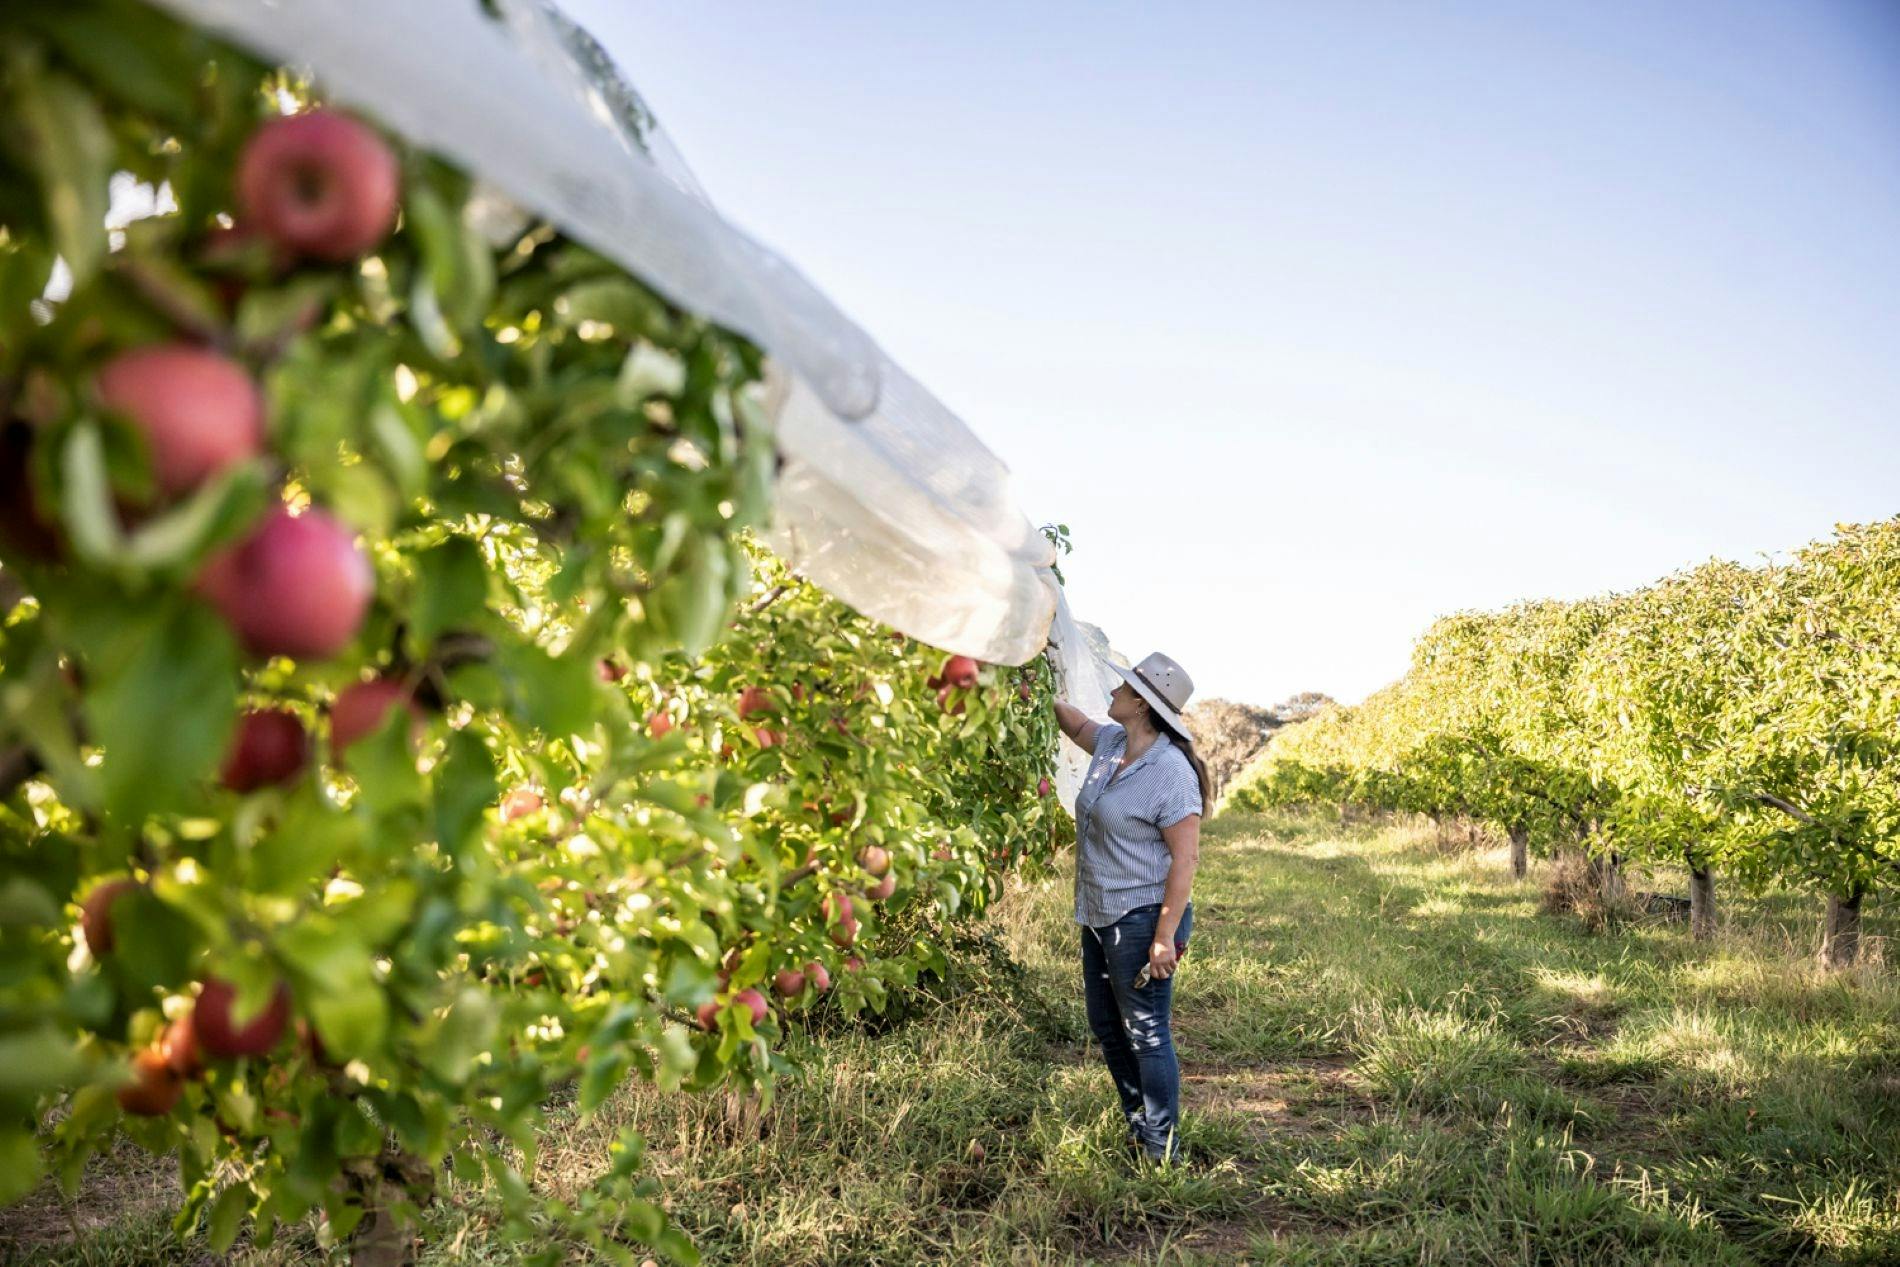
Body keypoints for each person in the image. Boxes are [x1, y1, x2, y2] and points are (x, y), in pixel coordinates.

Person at [1053, 651, 1211, 1163]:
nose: (1113, 691)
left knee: (1145, 1030)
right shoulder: (1114, 743)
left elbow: (1185, 861)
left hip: (1143, 917)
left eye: (1124, 688)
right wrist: (1024, 682)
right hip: (1099, 911)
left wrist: (1164, 936)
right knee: (1106, 1025)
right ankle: (1140, 1125)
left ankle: (1161, 1146)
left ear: (1141, 704)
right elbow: (1076, 724)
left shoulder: (1169, 771)